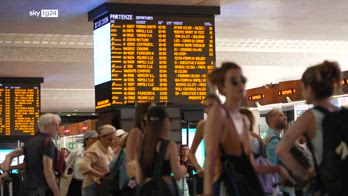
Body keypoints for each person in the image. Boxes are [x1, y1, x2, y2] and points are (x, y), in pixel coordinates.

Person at [203, 62, 292, 196]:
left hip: (245, 183)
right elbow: (210, 158)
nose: (241, 85)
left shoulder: (243, 120)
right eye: (234, 82)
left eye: (242, 80)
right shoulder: (219, 112)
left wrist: (278, 169)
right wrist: (208, 191)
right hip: (227, 185)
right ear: (222, 88)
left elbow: (251, 165)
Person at [277, 61, 342, 194]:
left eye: (302, 88)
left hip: (325, 187)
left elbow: (281, 150)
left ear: (309, 89)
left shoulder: (310, 117)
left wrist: (305, 174)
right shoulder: (343, 113)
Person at [0, 113, 62, 196]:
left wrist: (6, 172)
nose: (58, 128)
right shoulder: (47, 143)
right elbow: (48, 170)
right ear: (46, 126)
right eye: (55, 125)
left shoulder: (31, 142)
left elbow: (9, 155)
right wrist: (56, 192)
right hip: (43, 188)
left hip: (29, 187)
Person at [136, 106, 187, 194]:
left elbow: (139, 179)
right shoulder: (169, 145)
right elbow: (177, 175)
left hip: (147, 191)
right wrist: (183, 168)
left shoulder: (141, 146)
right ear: (165, 122)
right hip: (165, 189)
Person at [79, 125, 117, 196]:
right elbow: (83, 166)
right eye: (109, 139)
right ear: (101, 137)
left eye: (113, 139)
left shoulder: (108, 148)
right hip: (92, 186)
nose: (112, 142)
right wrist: (101, 175)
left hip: (104, 185)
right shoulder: (94, 150)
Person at [188, 94, 221, 172]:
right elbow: (191, 153)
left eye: (211, 105)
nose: (208, 109)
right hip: (210, 170)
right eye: (205, 106)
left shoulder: (228, 122)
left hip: (227, 169)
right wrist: (198, 168)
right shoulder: (202, 125)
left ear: (219, 106)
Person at [64, 130, 99, 196]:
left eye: (97, 139)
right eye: (93, 139)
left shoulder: (99, 153)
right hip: (77, 184)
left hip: (92, 184)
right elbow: (65, 164)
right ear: (86, 140)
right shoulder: (77, 152)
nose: (96, 141)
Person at [126, 102, 154, 178]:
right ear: (144, 115)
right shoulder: (136, 132)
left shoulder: (150, 132)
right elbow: (131, 161)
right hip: (139, 177)